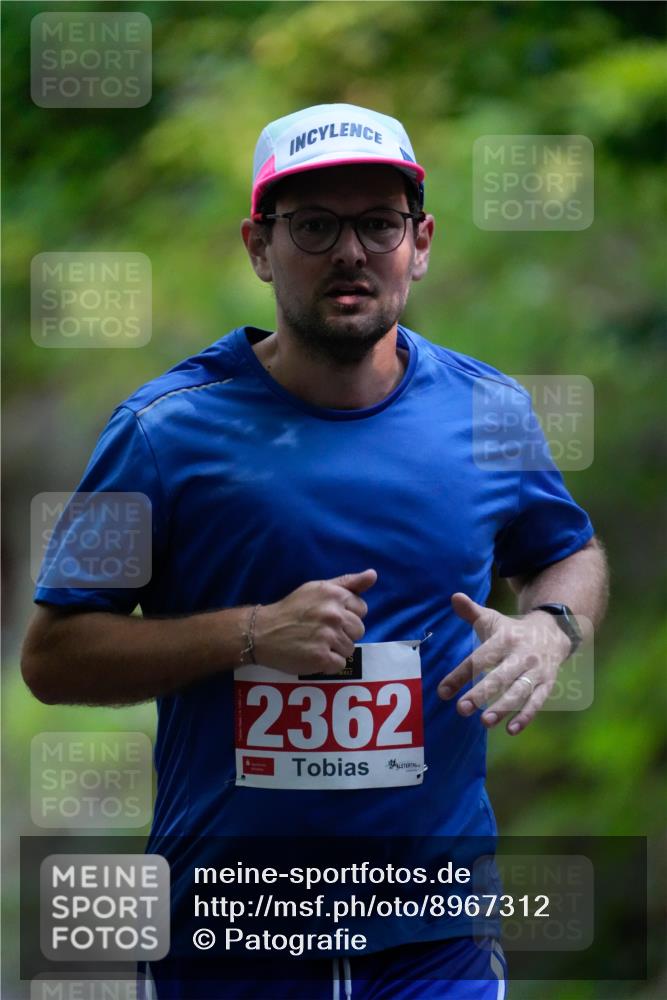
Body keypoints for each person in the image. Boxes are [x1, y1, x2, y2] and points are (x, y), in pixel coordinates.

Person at [22, 103, 608, 999]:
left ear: (419, 243)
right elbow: (54, 655)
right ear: (259, 246)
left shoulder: (489, 414)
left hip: (433, 931)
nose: (350, 252)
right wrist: (249, 633)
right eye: (314, 226)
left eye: (378, 223)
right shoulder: (160, 434)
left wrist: (548, 630)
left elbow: (568, 550)